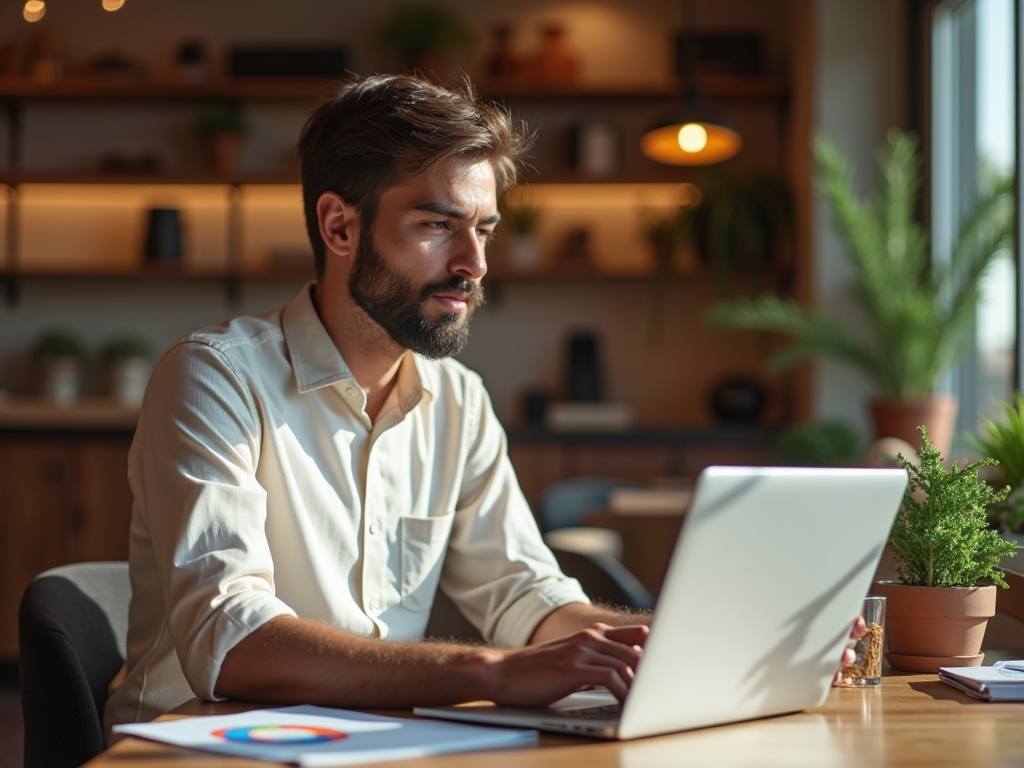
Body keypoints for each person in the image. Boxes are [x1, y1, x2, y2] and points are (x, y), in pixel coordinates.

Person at [104, 75, 652, 733]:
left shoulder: (459, 402)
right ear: (339, 225)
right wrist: (492, 671)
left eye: (484, 229)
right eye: (436, 225)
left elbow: (523, 593)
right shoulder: (213, 377)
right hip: (193, 747)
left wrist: (660, 642)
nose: (473, 262)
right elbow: (230, 637)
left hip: (371, 741)